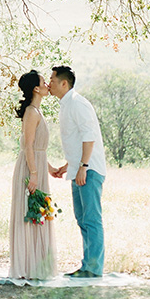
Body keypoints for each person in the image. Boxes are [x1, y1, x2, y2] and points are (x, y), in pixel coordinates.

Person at [48, 65, 107, 278]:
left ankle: (93, 268)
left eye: (52, 81)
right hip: (78, 169)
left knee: (91, 219)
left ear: (64, 83)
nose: (49, 84)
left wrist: (83, 166)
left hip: (89, 171)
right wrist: (69, 165)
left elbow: (88, 137)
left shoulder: (78, 104)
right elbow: (76, 141)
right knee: (82, 219)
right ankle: (87, 266)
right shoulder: (66, 105)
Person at [8, 70, 59, 280]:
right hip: (30, 170)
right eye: (44, 82)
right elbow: (28, 146)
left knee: (39, 214)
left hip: (37, 167)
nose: (48, 84)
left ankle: (37, 266)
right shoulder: (31, 111)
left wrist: (49, 168)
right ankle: (26, 267)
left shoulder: (37, 111)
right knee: (29, 215)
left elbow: (37, 148)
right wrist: (35, 174)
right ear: (36, 89)